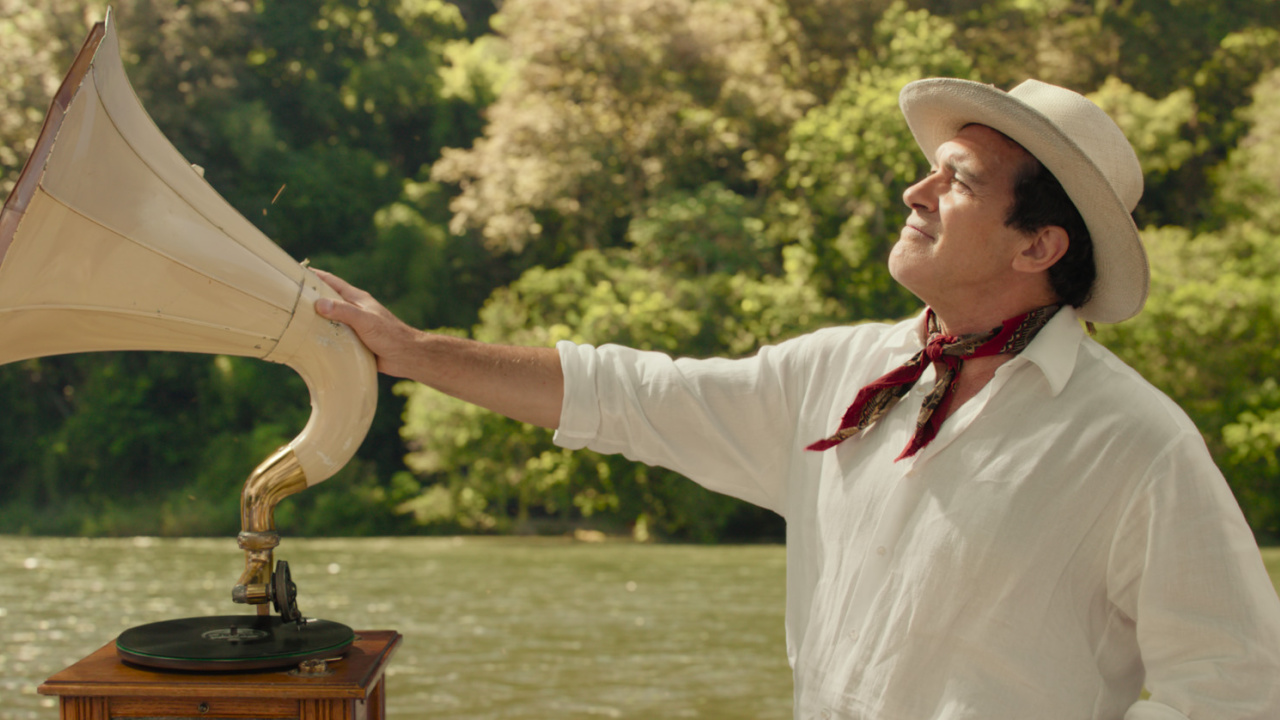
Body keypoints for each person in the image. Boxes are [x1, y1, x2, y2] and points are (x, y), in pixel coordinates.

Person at [313, 78, 1280, 719]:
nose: (914, 190)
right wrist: (412, 353)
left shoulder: (1135, 442)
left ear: (1038, 247)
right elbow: (629, 392)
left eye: (958, 181)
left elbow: (1235, 682)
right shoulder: (836, 371)